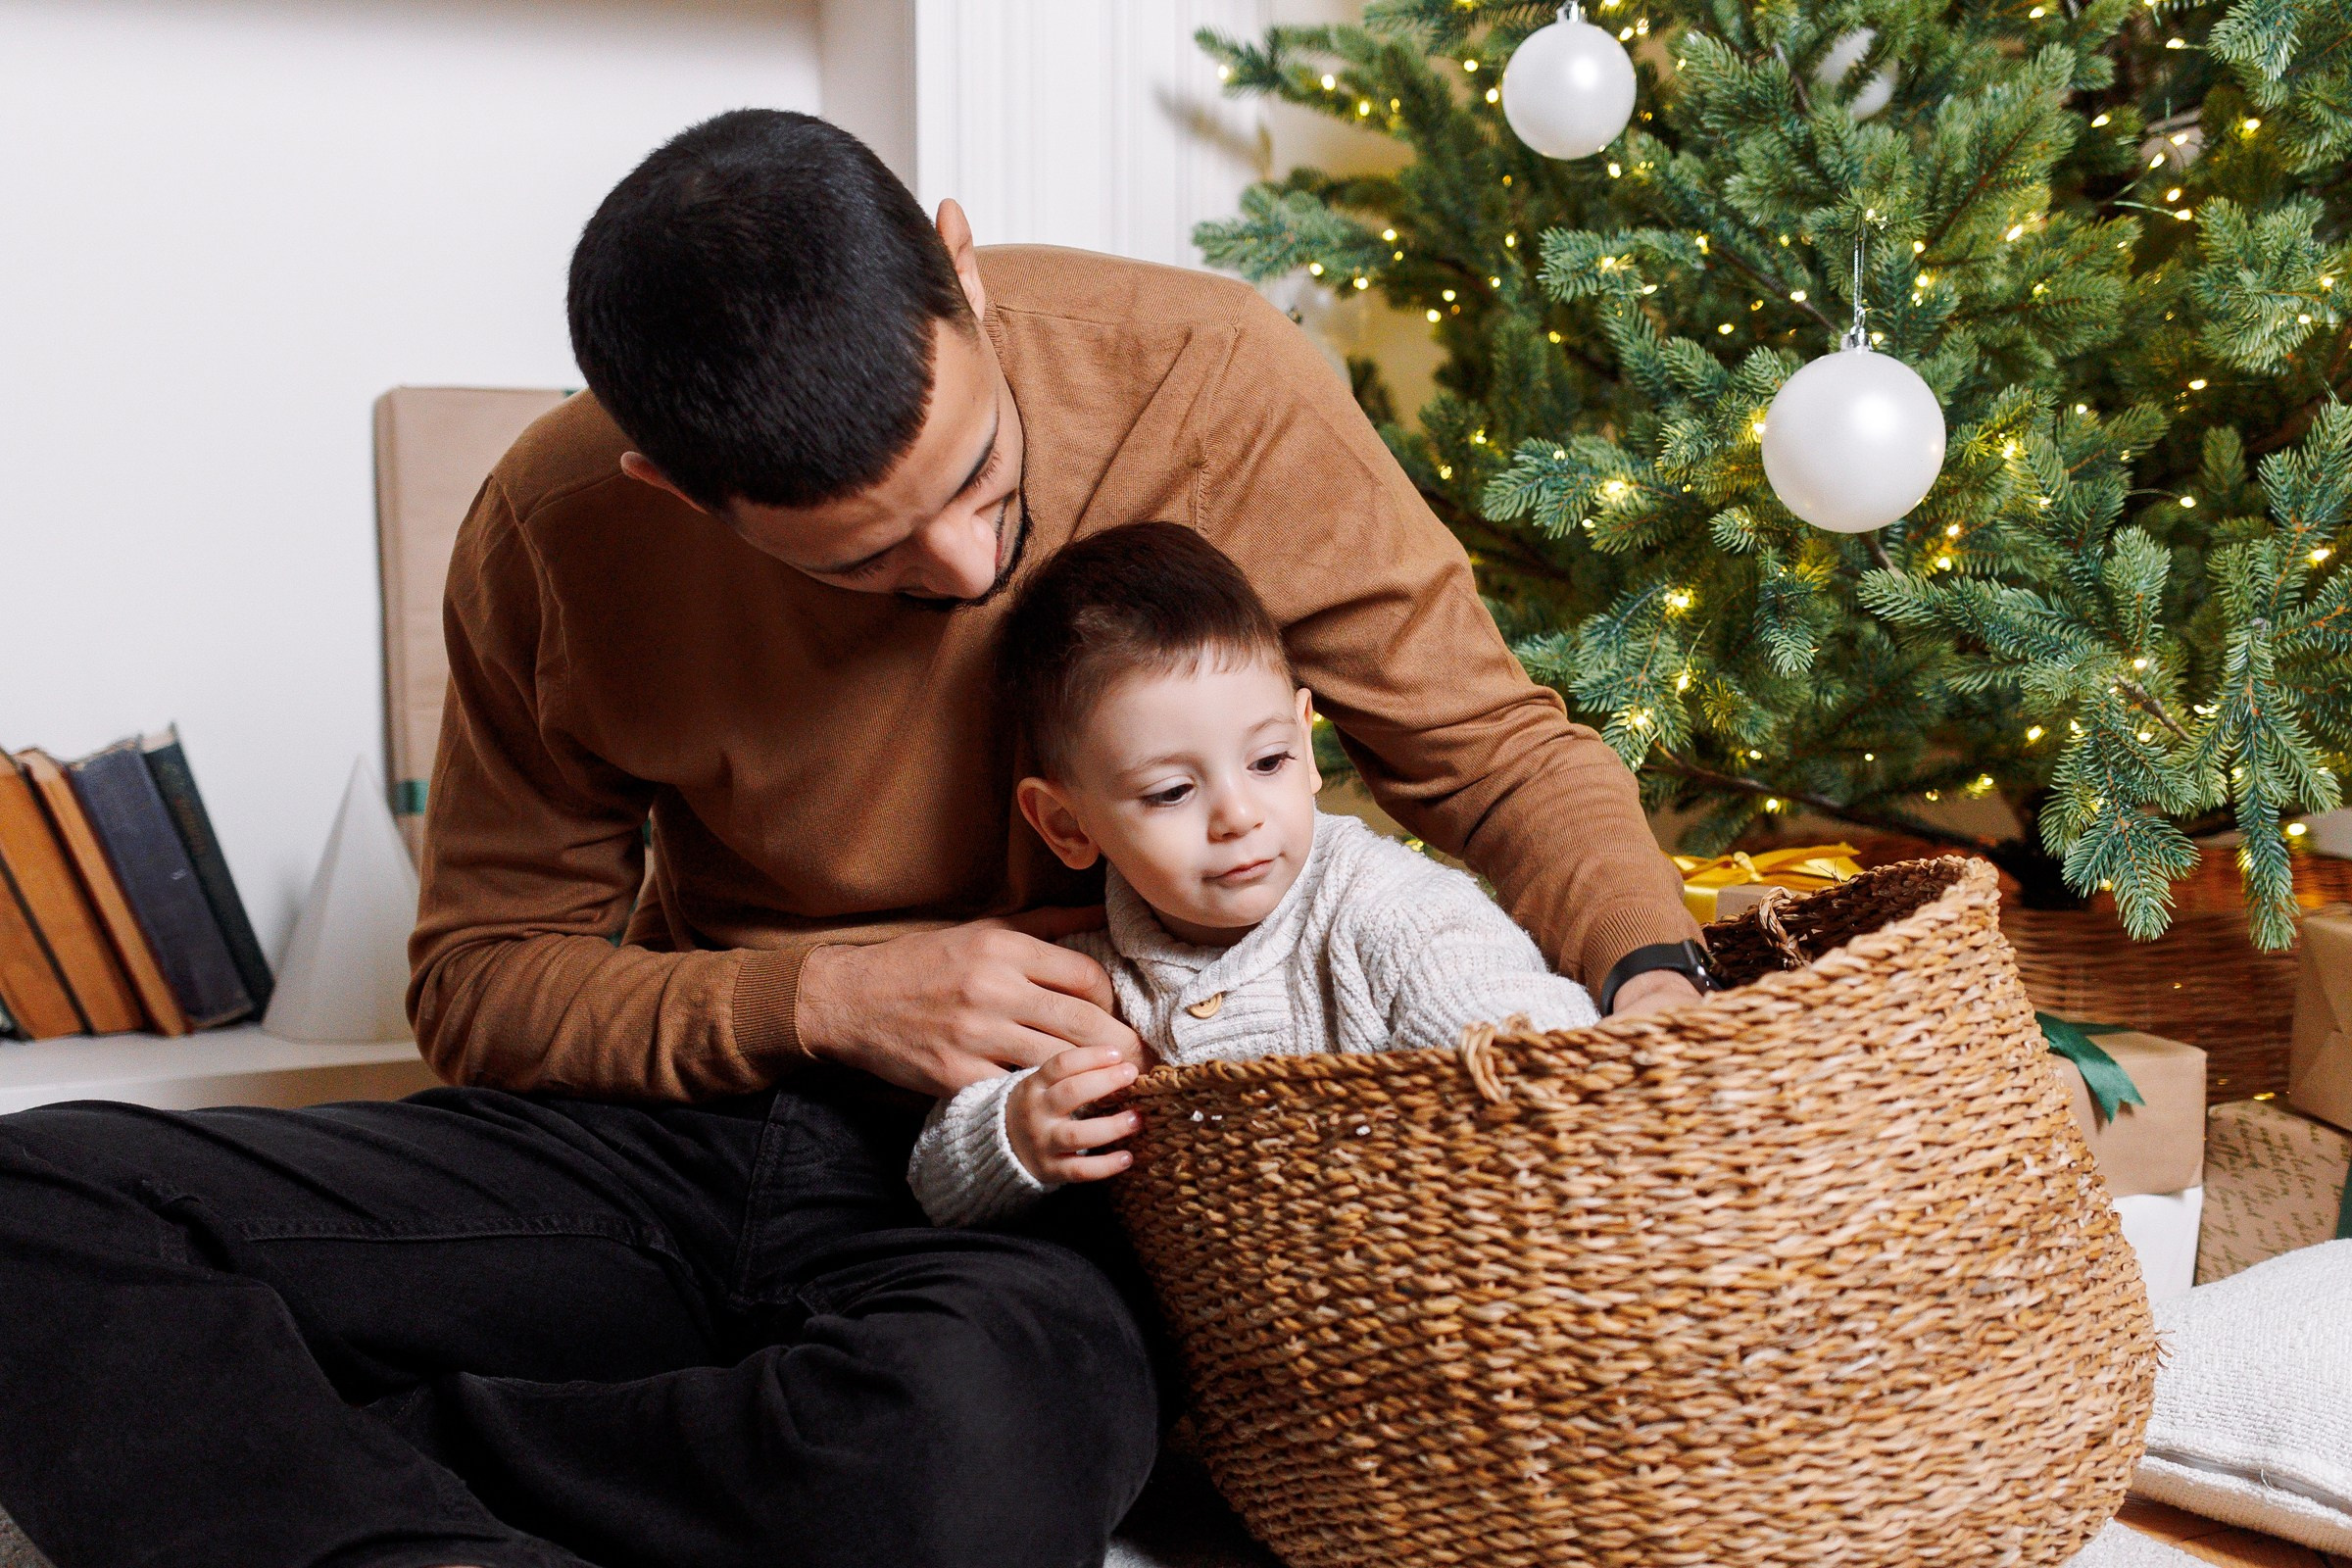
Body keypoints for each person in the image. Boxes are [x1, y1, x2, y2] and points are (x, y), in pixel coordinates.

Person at [0, 110, 1704, 1568]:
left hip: (1027, 1198)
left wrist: (1657, 993)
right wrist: (824, 999)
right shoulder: (560, 525)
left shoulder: (1206, 380)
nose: (967, 573)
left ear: (959, 269)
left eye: (978, 476)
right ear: (677, 488)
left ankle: (383, 1448)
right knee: (32, 1209)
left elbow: (1486, 752)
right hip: (691, 1142)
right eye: (873, 559)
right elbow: (485, 987)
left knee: (954, 1467)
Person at [907, 522, 1600, 1228]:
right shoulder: (1087, 983)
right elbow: (934, 1176)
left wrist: (1525, 1063)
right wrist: (1017, 1133)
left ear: (1304, 735)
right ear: (1067, 825)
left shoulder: (1385, 906)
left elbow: (1498, 1005)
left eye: (1268, 762)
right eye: (1172, 792)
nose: (1238, 816)